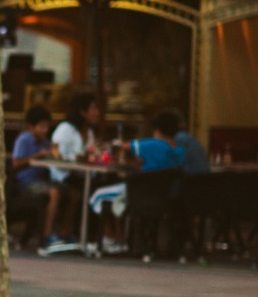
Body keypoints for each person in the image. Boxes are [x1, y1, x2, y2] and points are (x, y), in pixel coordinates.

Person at [88, 109, 187, 254]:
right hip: (164, 196)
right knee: (116, 196)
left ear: (157, 129)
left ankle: (110, 238)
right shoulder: (180, 150)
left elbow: (123, 146)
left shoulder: (154, 144)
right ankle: (118, 237)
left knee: (97, 196)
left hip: (141, 193)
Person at [40, 91, 100, 252]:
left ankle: (74, 234)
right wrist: (78, 158)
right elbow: (56, 153)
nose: (97, 113)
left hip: (81, 174)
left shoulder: (88, 132)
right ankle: (57, 234)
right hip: (61, 175)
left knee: (97, 186)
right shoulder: (65, 129)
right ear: (82, 111)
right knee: (76, 190)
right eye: (93, 108)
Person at [10, 105, 57, 247]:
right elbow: (15, 163)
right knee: (54, 193)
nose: (45, 130)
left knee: (67, 191)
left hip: (41, 181)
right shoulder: (23, 140)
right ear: (31, 126)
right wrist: (37, 156)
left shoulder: (46, 143)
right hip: (24, 182)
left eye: (47, 127)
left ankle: (60, 233)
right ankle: (47, 235)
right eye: (41, 126)